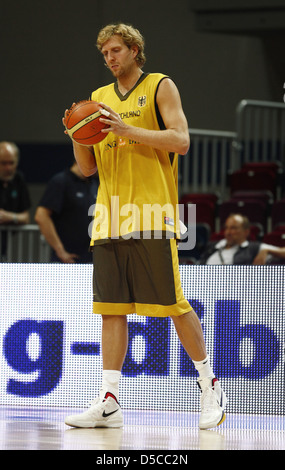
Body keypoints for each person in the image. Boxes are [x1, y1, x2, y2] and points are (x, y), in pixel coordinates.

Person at [63, 23, 227, 430]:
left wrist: (126, 129)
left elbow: (182, 140)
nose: (110, 58)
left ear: (135, 49)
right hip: (109, 215)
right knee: (112, 311)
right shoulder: (97, 99)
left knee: (173, 304)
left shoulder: (160, 86)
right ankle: (110, 400)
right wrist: (75, 134)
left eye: (116, 50)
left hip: (153, 213)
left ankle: (211, 386)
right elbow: (86, 169)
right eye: (105, 54)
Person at [35, 160, 99, 263]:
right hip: (67, 260)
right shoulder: (61, 181)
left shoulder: (94, 184)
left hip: (90, 259)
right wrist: (60, 251)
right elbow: (41, 216)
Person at [201, 213, 285, 265]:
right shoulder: (213, 246)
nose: (228, 232)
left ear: (246, 232)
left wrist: (267, 251)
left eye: (233, 228)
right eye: (226, 228)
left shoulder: (253, 248)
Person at [0, 141, 31, 260]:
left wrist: (10, 217)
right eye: (3, 163)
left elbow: (26, 217)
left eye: (11, 163)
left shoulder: (18, 179)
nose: (8, 168)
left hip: (6, 247)